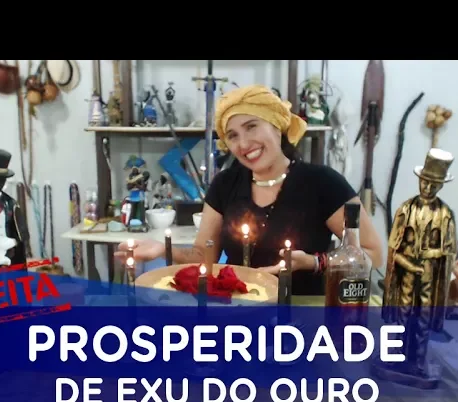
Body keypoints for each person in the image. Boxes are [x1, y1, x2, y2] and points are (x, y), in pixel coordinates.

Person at [116, 85, 383, 295]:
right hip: (239, 310)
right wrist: (163, 249)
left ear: (277, 126)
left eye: (251, 126)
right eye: (232, 135)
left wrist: (314, 263)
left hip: (304, 312)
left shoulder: (323, 183)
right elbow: (203, 256)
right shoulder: (225, 184)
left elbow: (373, 255)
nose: (243, 144)